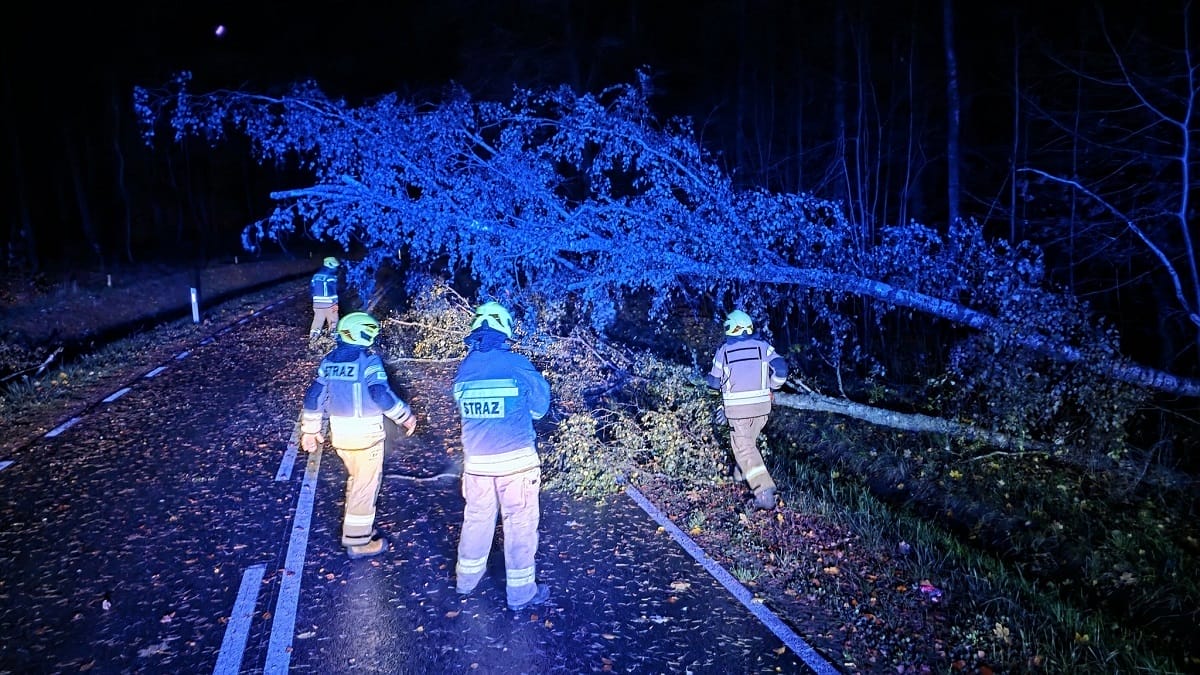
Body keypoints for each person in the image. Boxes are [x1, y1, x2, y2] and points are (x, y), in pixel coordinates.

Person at [452, 301, 552, 611]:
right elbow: (539, 409)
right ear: (504, 332)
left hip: (477, 465)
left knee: (477, 520)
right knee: (519, 524)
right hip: (516, 464)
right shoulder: (517, 364)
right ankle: (521, 593)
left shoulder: (464, 369)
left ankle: (466, 581)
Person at [299, 312, 417, 558]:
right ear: (361, 333)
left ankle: (358, 527)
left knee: (357, 480)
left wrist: (310, 430)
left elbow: (314, 397)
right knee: (365, 486)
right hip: (367, 437)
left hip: (340, 436)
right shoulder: (368, 361)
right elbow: (380, 395)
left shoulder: (329, 361)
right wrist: (404, 415)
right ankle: (359, 543)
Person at [706, 309, 788, 510]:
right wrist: (772, 385)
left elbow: (714, 383)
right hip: (761, 410)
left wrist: (707, 378)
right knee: (747, 444)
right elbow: (782, 370)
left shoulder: (724, 351)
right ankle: (740, 475)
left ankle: (764, 494)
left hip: (738, 413)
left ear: (730, 329)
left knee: (745, 449)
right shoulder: (763, 347)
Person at [309, 256, 340, 343]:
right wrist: (336, 303)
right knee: (334, 319)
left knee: (318, 320)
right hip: (330, 303)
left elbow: (311, 289)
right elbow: (334, 291)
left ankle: (313, 338)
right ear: (331, 266)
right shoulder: (332, 277)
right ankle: (333, 338)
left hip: (317, 303)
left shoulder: (315, 276)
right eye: (335, 267)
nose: (336, 269)